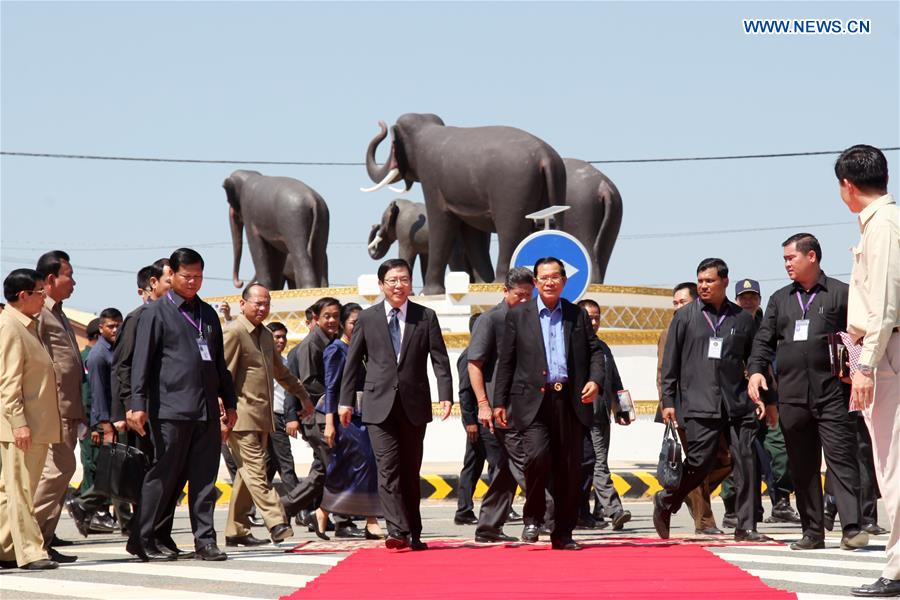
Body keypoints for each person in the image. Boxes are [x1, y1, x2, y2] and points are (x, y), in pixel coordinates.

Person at [747, 235, 868, 551]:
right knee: (803, 465)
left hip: (833, 394)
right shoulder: (779, 299)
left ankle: (852, 528)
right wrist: (757, 370)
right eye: (784, 259)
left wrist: (859, 369)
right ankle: (812, 532)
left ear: (811, 256)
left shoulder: (841, 294)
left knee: (842, 460)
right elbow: (763, 341)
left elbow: (862, 336)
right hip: (793, 396)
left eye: (791, 258)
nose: (786, 264)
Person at [130, 248, 238, 562]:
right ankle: (142, 537)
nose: (193, 282)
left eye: (198, 276)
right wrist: (137, 403)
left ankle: (206, 542)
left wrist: (229, 403)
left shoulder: (207, 313)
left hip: (205, 409)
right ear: (172, 275)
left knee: (205, 478)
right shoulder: (155, 313)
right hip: (170, 409)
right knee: (162, 476)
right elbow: (141, 362)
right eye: (186, 276)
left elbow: (220, 364)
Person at [338, 258, 453, 550]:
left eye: (404, 279)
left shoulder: (425, 316)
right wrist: (345, 402)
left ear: (410, 282)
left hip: (414, 405)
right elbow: (352, 364)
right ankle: (397, 531)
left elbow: (439, 359)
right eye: (392, 280)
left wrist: (446, 395)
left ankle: (414, 531)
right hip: (378, 405)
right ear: (381, 285)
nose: (398, 285)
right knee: (387, 468)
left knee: (409, 471)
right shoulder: (367, 318)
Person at [655, 258, 770, 542]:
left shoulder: (742, 319)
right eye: (701, 281)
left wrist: (765, 396)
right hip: (698, 401)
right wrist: (668, 400)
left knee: (745, 461)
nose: (703, 286)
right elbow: (670, 363)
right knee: (699, 462)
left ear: (724, 282)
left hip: (736, 402)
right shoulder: (685, 317)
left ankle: (746, 527)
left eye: (709, 281)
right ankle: (668, 500)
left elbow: (756, 358)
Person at [493, 257, 605, 550]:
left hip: (569, 400)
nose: (550, 282)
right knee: (537, 459)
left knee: (569, 468)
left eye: (555, 277)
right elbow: (506, 362)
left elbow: (595, 352)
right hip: (532, 403)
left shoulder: (576, 315)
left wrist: (595, 380)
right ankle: (533, 518)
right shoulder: (519, 315)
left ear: (564, 281)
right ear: (535, 282)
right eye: (544, 277)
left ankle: (563, 533)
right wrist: (498, 403)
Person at [834, 146, 900, 598]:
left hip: (887, 353)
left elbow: (883, 305)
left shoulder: (884, 227)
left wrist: (866, 365)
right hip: (884, 351)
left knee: (892, 466)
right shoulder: (881, 224)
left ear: (847, 186)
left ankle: (897, 569)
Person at [223, 283, 312, 547]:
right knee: (257, 471)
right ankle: (277, 521)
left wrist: (304, 396)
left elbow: (281, 373)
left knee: (246, 474)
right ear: (242, 304)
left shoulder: (264, 335)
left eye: (266, 303)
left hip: (263, 418)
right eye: (257, 303)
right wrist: (221, 415)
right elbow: (223, 376)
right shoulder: (234, 332)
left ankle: (235, 530)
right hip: (239, 417)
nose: (262, 308)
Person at [721, 278, 800, 528]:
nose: (748, 301)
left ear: (759, 299)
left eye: (752, 297)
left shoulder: (769, 325)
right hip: (738, 397)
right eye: (743, 297)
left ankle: (781, 502)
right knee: (739, 455)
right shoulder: (728, 323)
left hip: (767, 394)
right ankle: (735, 508)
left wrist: (772, 398)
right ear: (736, 300)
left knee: (778, 450)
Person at [655, 282, 731, 535]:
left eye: (682, 302)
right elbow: (663, 373)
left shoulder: (710, 324)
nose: (677, 307)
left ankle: (681, 491)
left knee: (725, 460)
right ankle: (705, 522)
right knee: (697, 463)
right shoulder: (670, 331)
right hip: (682, 407)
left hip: (712, 404)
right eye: (674, 303)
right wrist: (669, 405)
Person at [282, 298, 361, 537]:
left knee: (322, 471)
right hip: (316, 418)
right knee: (339, 467)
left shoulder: (332, 341)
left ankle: (280, 509)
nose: (332, 320)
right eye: (327, 316)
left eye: (336, 316)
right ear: (315, 318)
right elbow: (308, 384)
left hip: (326, 415)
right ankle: (343, 522)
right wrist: (337, 397)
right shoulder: (310, 345)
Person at [471, 267, 539, 543]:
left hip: (529, 404)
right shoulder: (491, 320)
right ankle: (549, 514)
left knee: (507, 465)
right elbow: (474, 364)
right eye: (518, 295)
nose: (524, 300)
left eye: (528, 295)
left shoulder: (533, 318)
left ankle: (488, 526)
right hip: (501, 408)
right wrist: (483, 404)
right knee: (526, 462)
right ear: (505, 292)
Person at [0, 269, 62, 570]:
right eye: (40, 292)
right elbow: (8, 382)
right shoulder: (10, 326)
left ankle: (5, 549)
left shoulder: (26, 325)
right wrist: (18, 422)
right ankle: (30, 552)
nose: (44, 297)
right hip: (22, 426)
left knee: (9, 490)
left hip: (32, 425)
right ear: (23, 296)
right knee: (22, 490)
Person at [314, 302, 384, 540]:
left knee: (358, 466)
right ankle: (364, 517)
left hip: (366, 415)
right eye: (354, 322)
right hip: (346, 418)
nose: (359, 326)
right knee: (360, 462)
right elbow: (331, 388)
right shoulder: (336, 350)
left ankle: (329, 512)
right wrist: (330, 423)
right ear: (343, 324)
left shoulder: (364, 350)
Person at [31, 250, 81, 565]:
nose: (73, 282)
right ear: (51, 279)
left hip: (70, 405)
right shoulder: (39, 313)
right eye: (69, 275)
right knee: (57, 472)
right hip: (54, 406)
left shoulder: (59, 311)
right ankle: (22, 540)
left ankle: (42, 541)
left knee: (61, 475)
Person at [66, 309, 130, 536]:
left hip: (119, 418)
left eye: (118, 325)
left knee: (121, 471)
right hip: (110, 422)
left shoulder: (116, 350)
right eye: (111, 326)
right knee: (115, 472)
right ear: (101, 328)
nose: (115, 330)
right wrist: (104, 425)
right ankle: (84, 504)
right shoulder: (98, 356)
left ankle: (124, 521)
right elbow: (97, 393)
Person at [577, 299, 632, 531]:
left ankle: (594, 513)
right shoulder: (574, 349)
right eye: (588, 316)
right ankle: (614, 509)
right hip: (582, 417)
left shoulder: (603, 348)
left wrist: (623, 410)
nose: (593, 321)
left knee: (596, 464)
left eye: (597, 316)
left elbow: (615, 381)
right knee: (597, 465)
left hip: (602, 417)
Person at [455, 313, 504, 526]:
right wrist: (470, 422)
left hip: (483, 419)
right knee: (490, 465)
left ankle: (467, 511)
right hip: (479, 420)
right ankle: (482, 513)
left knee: (477, 465)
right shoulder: (469, 356)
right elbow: (465, 392)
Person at [265, 322, 303, 496]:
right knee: (286, 463)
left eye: (283, 337)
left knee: (270, 465)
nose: (281, 340)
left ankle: (247, 507)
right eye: (277, 337)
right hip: (271, 417)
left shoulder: (285, 361)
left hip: (281, 416)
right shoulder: (263, 361)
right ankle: (299, 506)